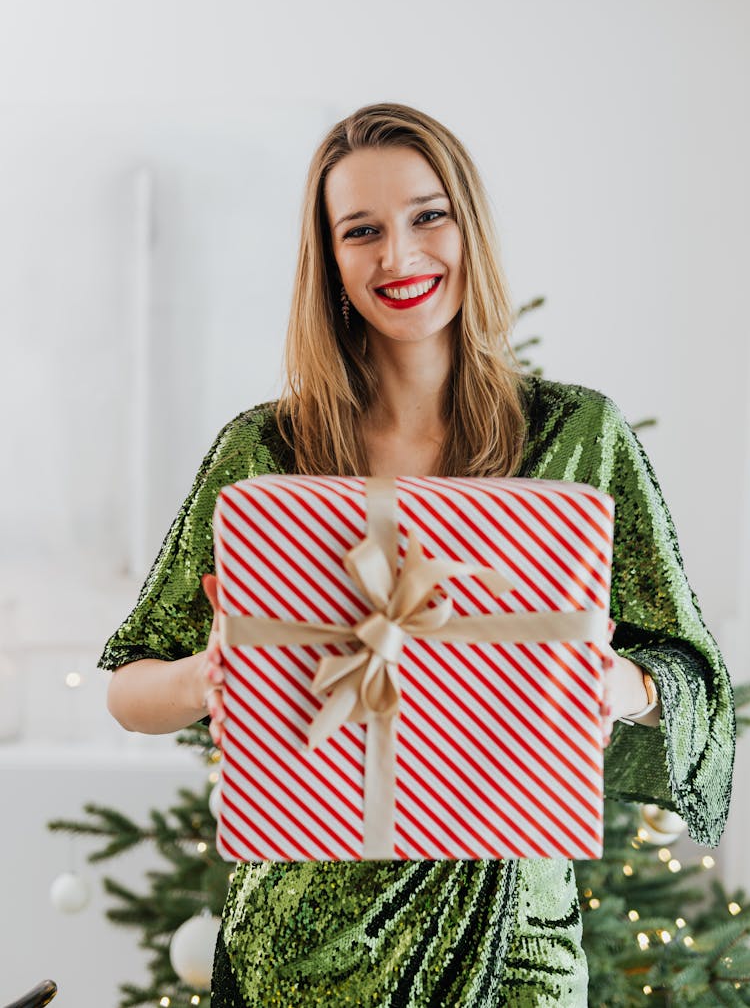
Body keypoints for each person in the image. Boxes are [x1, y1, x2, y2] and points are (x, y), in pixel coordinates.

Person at [99, 102, 735, 1007]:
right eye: (362, 231)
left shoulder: (578, 437)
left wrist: (615, 686)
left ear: (466, 223)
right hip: (307, 943)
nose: (399, 257)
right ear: (332, 260)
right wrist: (208, 677)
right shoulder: (265, 450)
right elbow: (130, 685)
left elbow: (694, 683)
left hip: (517, 935)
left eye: (426, 216)